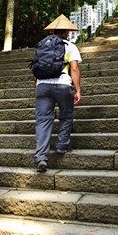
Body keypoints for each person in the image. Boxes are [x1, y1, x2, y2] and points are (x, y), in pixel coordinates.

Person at [34, 15, 82, 172]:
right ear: (66, 32)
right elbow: (74, 68)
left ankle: (41, 157)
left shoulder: (42, 45)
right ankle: (61, 146)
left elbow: (37, 67)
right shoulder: (70, 46)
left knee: (43, 121)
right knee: (66, 115)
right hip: (62, 85)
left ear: (53, 30)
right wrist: (78, 90)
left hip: (42, 86)